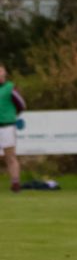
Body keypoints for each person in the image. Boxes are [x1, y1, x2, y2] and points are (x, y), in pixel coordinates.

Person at [0, 63, 26, 192]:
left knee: (10, 156)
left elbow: (21, 104)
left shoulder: (10, 88)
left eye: (1, 72)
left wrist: (11, 115)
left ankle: (15, 183)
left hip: (6, 126)